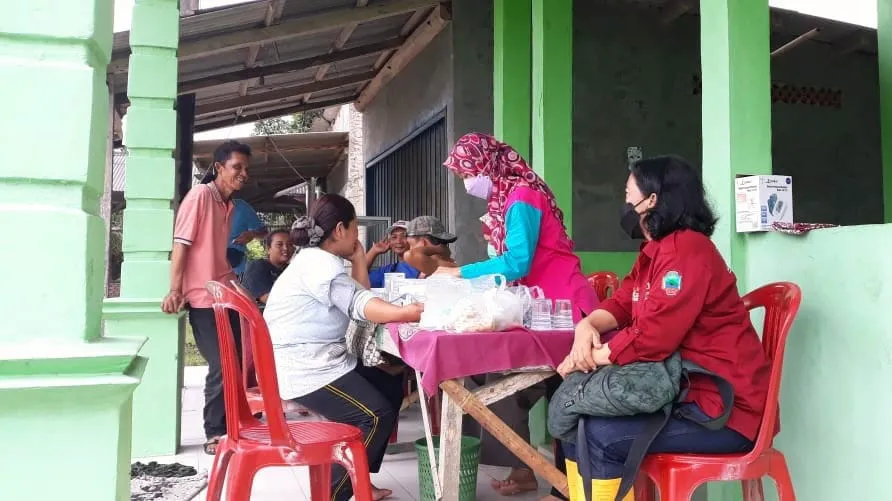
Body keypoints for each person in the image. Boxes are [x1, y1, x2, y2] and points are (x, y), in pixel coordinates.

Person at [555, 156, 771, 501]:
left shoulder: (688, 250)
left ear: (651, 199)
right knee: (574, 418)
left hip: (724, 410)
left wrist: (589, 358)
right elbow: (623, 304)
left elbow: (655, 337)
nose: (625, 203)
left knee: (597, 434)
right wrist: (586, 326)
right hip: (685, 395)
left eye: (629, 194)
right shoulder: (655, 252)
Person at [436, 132, 598, 497]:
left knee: (537, 391)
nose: (465, 183)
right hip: (542, 307)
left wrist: (461, 273)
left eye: (466, 173)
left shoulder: (522, 197)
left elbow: (517, 261)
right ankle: (532, 471)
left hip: (565, 311)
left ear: (486, 165)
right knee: (499, 381)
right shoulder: (508, 199)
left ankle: (562, 485)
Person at [263, 194, 424, 501]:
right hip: (306, 367)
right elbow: (361, 303)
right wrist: (409, 312)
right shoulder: (320, 265)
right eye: (354, 230)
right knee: (376, 416)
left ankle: (362, 479)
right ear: (340, 229)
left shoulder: (319, 260)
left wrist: (359, 258)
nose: (356, 236)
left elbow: (357, 296)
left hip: (316, 358)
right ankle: (331, 494)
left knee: (388, 384)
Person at [161, 139, 251, 455]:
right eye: (237, 167)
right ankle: (214, 433)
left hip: (225, 296)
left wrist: (238, 289)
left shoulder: (228, 206)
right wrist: (175, 290)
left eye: (245, 169)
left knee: (237, 363)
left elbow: (216, 257)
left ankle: (232, 427)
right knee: (221, 365)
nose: (243, 174)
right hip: (202, 299)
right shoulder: (200, 196)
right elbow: (181, 245)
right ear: (218, 168)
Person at [241, 229, 293, 306]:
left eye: (290, 244)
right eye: (279, 245)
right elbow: (270, 300)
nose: (286, 248)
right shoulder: (257, 267)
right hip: (256, 316)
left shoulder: (290, 269)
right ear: (268, 249)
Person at [366, 220, 420, 288]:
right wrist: (374, 251)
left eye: (404, 236)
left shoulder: (425, 267)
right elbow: (360, 280)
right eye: (394, 237)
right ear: (389, 242)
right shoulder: (387, 270)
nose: (398, 241)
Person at [226, 198, 268, 277]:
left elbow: (264, 233)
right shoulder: (203, 206)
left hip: (234, 267)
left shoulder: (241, 206)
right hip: (206, 265)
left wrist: (252, 234)